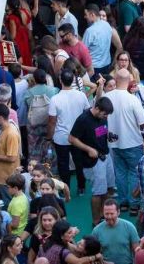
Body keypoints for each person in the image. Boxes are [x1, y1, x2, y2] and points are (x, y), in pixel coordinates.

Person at [104, 70, 144, 214]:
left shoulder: (107, 97)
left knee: (119, 172)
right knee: (133, 173)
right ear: (128, 81)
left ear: (115, 79)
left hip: (114, 142)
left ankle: (123, 202)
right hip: (133, 142)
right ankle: (134, 204)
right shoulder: (132, 99)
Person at [67, 96, 115, 224]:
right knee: (98, 192)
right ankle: (96, 221)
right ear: (97, 109)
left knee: (109, 189)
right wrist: (88, 149)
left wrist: (108, 135)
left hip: (106, 156)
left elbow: (99, 131)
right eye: (104, 114)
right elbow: (71, 138)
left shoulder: (102, 117)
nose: (106, 117)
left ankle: (104, 215)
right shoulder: (83, 119)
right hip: (93, 161)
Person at [47, 69, 91, 197]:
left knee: (63, 164)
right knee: (79, 162)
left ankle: (65, 189)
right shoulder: (81, 95)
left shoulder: (55, 99)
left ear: (60, 80)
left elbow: (52, 121)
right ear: (72, 80)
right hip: (78, 137)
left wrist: (49, 136)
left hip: (61, 137)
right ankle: (81, 187)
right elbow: (87, 114)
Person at [91, 200, 138, 264]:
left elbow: (136, 250)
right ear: (103, 213)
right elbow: (93, 254)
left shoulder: (129, 227)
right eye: (106, 214)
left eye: (112, 214)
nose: (109, 217)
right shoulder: (96, 230)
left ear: (118, 212)